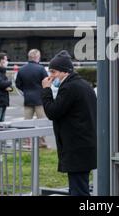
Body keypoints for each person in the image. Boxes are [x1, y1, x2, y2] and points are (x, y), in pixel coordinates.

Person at [41, 50, 97, 196]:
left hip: (76, 147)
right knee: (79, 186)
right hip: (84, 145)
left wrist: (46, 90)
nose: (51, 76)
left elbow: (52, 112)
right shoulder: (83, 85)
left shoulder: (69, 87)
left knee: (78, 189)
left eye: (53, 72)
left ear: (65, 72)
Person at [15, 49, 48, 147]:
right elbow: (46, 82)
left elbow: (18, 84)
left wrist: (25, 90)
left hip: (28, 99)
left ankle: (27, 143)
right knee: (42, 121)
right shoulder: (41, 69)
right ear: (37, 57)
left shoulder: (22, 69)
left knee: (27, 122)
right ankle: (42, 142)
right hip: (39, 99)